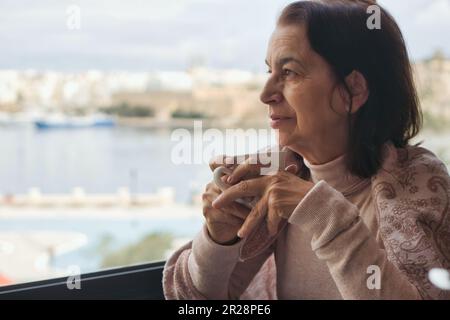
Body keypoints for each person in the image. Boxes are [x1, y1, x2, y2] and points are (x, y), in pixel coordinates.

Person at [163, 0, 450, 299]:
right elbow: (194, 303)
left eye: (288, 72)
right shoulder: (276, 175)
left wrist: (324, 215)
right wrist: (218, 240)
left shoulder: (419, 182)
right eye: (269, 71)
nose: (265, 94)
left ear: (353, 90)